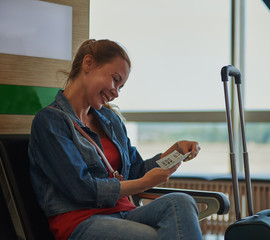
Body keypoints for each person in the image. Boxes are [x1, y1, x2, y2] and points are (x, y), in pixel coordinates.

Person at [28, 39, 202, 240]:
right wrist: (143, 183)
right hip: (81, 220)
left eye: (121, 87)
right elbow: (81, 189)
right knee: (154, 237)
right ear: (88, 63)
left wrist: (175, 153)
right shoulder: (50, 121)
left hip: (124, 213)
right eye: (115, 79)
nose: (116, 93)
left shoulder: (110, 120)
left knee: (181, 202)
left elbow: (135, 171)